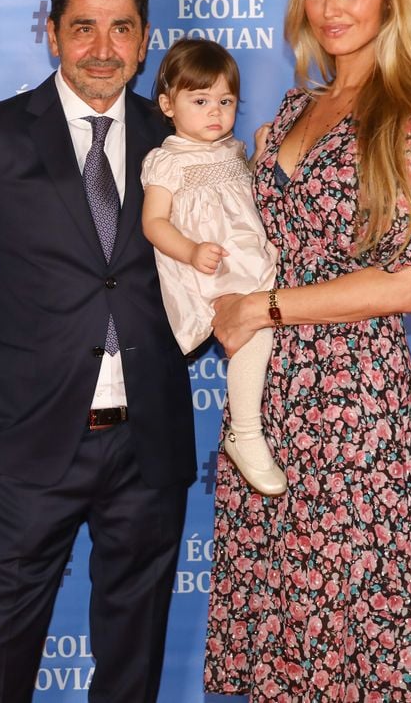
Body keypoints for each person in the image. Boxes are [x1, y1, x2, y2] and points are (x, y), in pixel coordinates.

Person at [204, 0, 411, 702]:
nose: (330, 8)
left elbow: (406, 283)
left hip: (351, 405)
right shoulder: (290, 110)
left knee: (354, 626)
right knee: (282, 623)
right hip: (270, 395)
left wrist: (264, 308)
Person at [0, 0, 196, 703]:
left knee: (132, 656)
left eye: (121, 29)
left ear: (146, 41)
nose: (102, 49)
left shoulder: (182, 142)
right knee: (1, 649)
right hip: (31, 443)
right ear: (52, 33)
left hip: (150, 443)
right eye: (84, 28)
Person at [141, 38, 286, 496]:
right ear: (168, 104)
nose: (215, 112)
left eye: (225, 101)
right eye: (200, 101)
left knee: (304, 300)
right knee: (254, 331)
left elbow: (248, 198)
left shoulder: (230, 150)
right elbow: (153, 223)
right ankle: (245, 432)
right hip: (212, 271)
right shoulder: (167, 160)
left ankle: (368, 360)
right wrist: (190, 251)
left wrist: (261, 153)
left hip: (251, 258)